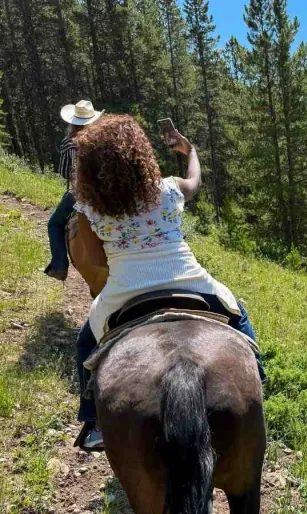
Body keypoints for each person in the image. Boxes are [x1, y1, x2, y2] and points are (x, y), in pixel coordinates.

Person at [71, 114, 264, 450]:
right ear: (140, 155)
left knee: (86, 343)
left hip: (123, 291)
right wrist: (189, 150)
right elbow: (195, 180)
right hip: (189, 279)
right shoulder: (169, 189)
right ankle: (259, 380)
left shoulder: (88, 209)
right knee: (238, 313)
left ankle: (94, 420)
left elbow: (96, 261)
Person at [44, 100, 105, 280]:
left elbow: (65, 172)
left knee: (54, 224)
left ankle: (59, 266)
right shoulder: (103, 138)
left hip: (81, 193)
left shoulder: (69, 142)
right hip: (108, 190)